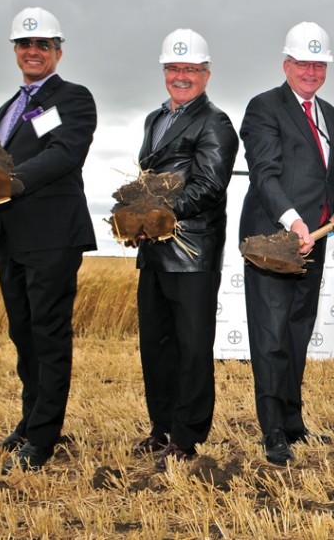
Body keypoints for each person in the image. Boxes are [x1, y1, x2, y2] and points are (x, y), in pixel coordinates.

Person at [0, 7, 97, 473]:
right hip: (10, 235)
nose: (33, 51)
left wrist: (6, 185)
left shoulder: (74, 99)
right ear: (15, 51)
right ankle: (28, 424)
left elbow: (64, 154)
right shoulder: (8, 109)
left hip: (52, 235)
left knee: (48, 335)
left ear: (58, 52)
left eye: (43, 44)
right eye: (25, 44)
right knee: (23, 334)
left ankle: (43, 439)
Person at [240, 22, 334, 465]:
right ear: (286, 64)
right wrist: (293, 222)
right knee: (270, 336)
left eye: (318, 63)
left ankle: (292, 421)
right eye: (303, 62)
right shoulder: (263, 107)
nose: (311, 70)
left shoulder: (331, 113)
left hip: (316, 240)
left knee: (296, 332)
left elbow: (331, 173)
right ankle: (272, 432)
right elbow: (264, 174)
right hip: (274, 239)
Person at [132, 29, 238, 471]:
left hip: (192, 251)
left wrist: (155, 211)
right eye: (174, 69)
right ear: (164, 71)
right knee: (156, 345)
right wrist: (138, 218)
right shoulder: (154, 119)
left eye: (191, 69)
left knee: (192, 347)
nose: (181, 76)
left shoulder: (216, 123)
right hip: (154, 252)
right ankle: (161, 428)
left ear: (206, 74)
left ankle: (188, 436)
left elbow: (209, 187)